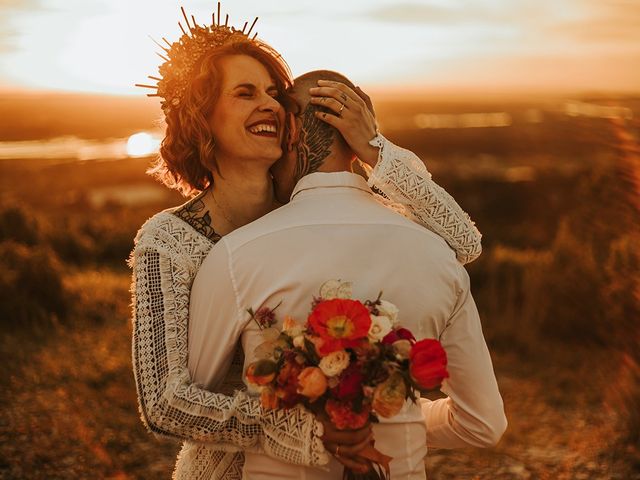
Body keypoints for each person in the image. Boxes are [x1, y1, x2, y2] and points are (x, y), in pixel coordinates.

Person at [130, 7, 484, 479]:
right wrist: (307, 426)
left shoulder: (309, 217)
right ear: (202, 118)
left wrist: (374, 147)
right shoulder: (168, 241)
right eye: (245, 93)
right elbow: (164, 404)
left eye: (275, 94)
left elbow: (461, 242)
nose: (271, 105)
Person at [188, 69, 507, 479]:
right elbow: (483, 422)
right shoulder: (437, 255)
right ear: (359, 142)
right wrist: (396, 419)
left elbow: (194, 403)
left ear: (290, 138)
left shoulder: (235, 254)